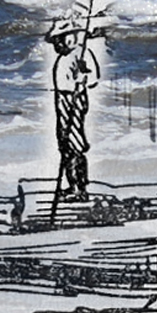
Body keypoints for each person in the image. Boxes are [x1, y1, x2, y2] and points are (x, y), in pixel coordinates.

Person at [48, 23, 102, 200]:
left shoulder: (82, 51)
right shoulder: (64, 55)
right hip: (62, 98)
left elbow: (93, 77)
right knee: (64, 142)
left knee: (74, 142)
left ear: (72, 36)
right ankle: (73, 185)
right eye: (57, 40)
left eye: (62, 38)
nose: (59, 43)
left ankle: (79, 188)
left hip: (75, 97)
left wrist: (83, 78)